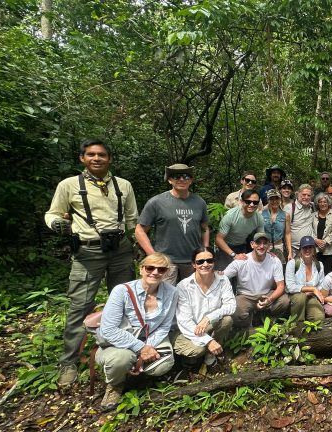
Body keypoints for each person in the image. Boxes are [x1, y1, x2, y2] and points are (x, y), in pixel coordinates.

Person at [45, 138, 138, 390]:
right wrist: (56, 224)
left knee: (128, 302)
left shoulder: (123, 185)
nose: (97, 158)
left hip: (120, 250)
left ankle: (125, 348)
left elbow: (132, 219)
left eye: (102, 155)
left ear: (110, 159)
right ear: (82, 158)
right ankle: (69, 363)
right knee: (80, 306)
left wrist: (139, 247)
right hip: (87, 252)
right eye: (91, 154)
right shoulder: (69, 185)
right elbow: (52, 213)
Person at [95, 253, 177, 410]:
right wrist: (142, 348)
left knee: (164, 364)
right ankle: (115, 385)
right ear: (141, 269)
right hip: (119, 341)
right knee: (121, 359)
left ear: (166, 273)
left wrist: (149, 346)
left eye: (161, 269)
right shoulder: (122, 291)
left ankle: (139, 374)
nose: (155, 272)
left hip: (152, 338)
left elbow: (165, 326)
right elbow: (109, 329)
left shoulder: (172, 292)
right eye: (150, 268)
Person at [135, 164, 210, 284]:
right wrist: (153, 255)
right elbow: (140, 230)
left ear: (191, 180)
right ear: (169, 180)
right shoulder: (157, 202)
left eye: (186, 176)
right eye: (176, 176)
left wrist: (205, 250)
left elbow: (205, 228)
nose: (181, 179)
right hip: (166, 262)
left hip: (193, 261)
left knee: (191, 297)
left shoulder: (199, 202)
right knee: (163, 297)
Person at [173, 248, 235, 370]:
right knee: (197, 349)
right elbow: (185, 322)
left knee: (227, 320)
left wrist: (209, 317)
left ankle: (210, 356)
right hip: (188, 330)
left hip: (208, 325)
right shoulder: (183, 286)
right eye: (200, 262)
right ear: (193, 264)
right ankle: (188, 363)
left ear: (214, 262)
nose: (205, 264)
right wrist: (208, 341)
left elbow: (231, 305)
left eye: (209, 260)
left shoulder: (223, 280)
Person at [224, 232, 290, 327]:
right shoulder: (242, 260)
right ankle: (246, 326)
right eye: (258, 242)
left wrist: (269, 299)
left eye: (265, 243)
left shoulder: (274, 260)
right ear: (252, 244)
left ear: (269, 245)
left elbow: (281, 286)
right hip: (245, 296)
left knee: (284, 301)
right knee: (235, 311)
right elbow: (223, 277)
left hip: (266, 294)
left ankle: (266, 318)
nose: (261, 246)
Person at [215, 189, 265, 270]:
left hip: (242, 246)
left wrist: (267, 252)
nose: (252, 205)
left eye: (255, 202)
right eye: (248, 202)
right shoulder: (230, 215)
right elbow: (219, 239)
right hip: (225, 247)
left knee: (243, 273)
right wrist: (234, 255)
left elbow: (261, 238)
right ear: (241, 201)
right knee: (224, 275)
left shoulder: (259, 218)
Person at [285, 236, 326, 323]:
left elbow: (321, 285)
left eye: (310, 247)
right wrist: (312, 289)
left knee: (319, 317)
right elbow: (290, 287)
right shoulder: (292, 263)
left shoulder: (319, 265)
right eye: (305, 247)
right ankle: (296, 327)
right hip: (296, 296)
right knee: (301, 298)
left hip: (312, 297)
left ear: (314, 249)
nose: (307, 250)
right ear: (300, 250)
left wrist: (313, 291)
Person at [284, 184, 316, 260]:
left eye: (309, 195)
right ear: (298, 194)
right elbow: (287, 232)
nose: (306, 197)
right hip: (295, 249)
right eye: (304, 195)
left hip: (310, 248)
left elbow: (326, 205)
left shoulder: (312, 206)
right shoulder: (289, 208)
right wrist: (290, 252)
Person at [313, 193, 332, 273]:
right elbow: (310, 229)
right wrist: (316, 240)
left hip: (329, 250)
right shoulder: (313, 215)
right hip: (316, 249)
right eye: (320, 202)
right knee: (317, 272)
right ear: (317, 203)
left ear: (328, 203)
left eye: (325, 202)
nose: (322, 204)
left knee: (329, 273)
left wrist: (325, 242)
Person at [262, 189, 288, 264]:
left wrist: (289, 251)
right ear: (268, 200)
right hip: (265, 246)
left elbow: (287, 233)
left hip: (279, 246)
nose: (274, 201)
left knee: (279, 268)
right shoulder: (261, 214)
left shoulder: (285, 215)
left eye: (276, 198)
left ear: (280, 199)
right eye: (271, 199)